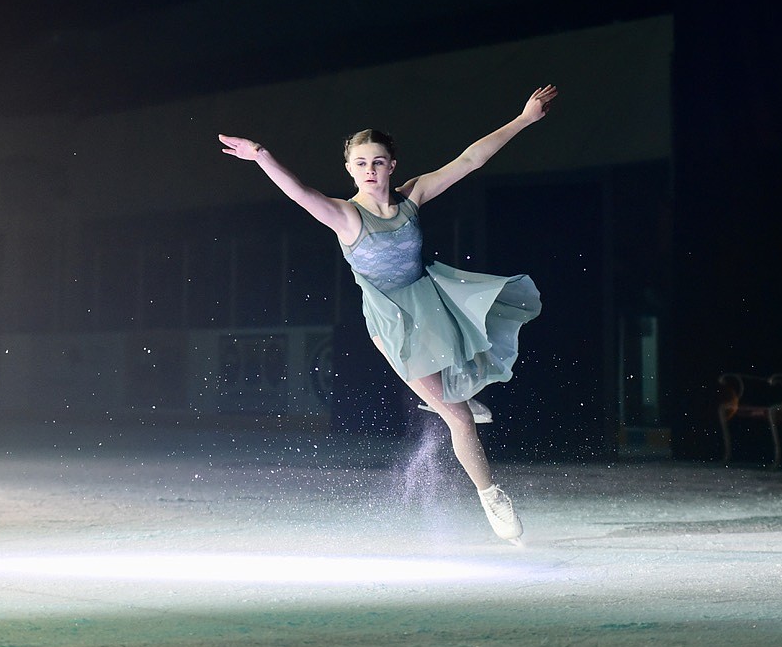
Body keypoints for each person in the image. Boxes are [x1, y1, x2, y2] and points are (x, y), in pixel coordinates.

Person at [219, 84, 557, 544]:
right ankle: (491, 496)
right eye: (360, 163)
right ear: (349, 169)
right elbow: (298, 193)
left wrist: (524, 119)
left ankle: (455, 392)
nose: (370, 170)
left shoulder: (411, 197)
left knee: (469, 365)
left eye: (378, 161)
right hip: (392, 323)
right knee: (457, 416)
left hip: (433, 304)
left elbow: (470, 160)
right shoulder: (345, 216)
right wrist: (261, 155)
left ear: (392, 165)